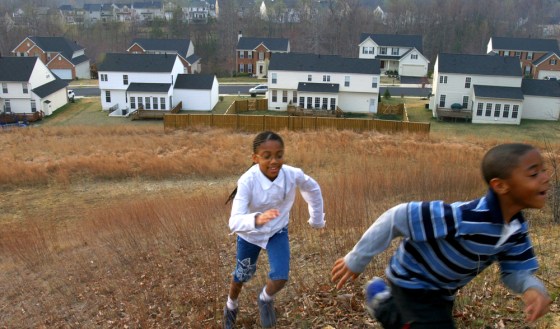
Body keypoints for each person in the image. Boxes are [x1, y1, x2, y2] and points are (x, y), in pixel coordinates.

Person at [331, 143, 552, 328]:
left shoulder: (516, 230)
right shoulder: (464, 217)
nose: (545, 177)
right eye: (534, 173)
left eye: (543, 170)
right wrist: (357, 258)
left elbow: (515, 271)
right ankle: (385, 306)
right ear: (501, 185)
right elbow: (396, 217)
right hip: (412, 278)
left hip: (443, 292)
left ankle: (385, 304)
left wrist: (532, 288)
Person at [223, 131, 325, 328]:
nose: (274, 161)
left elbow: (312, 188)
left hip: (276, 232)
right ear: (255, 158)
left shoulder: (291, 174)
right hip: (249, 236)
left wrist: (317, 219)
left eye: (279, 155)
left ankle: (265, 298)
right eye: (267, 156)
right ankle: (231, 305)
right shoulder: (247, 181)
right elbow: (234, 222)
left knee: (280, 276)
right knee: (241, 277)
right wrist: (258, 219)